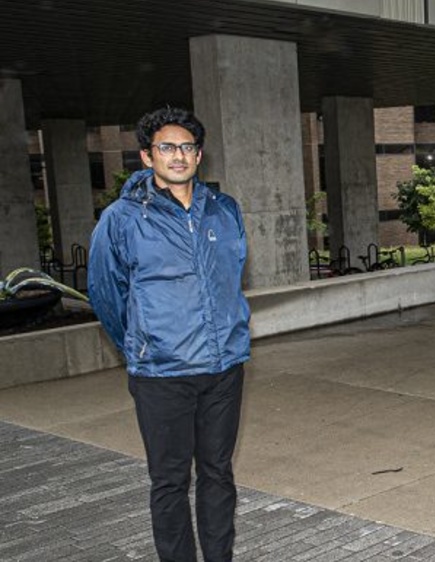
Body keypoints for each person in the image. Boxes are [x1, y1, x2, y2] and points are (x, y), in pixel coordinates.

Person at [88, 107, 251, 561]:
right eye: (166, 147)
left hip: (224, 368)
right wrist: (140, 346)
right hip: (161, 374)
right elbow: (105, 292)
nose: (178, 155)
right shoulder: (121, 219)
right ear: (146, 156)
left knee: (218, 474)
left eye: (187, 147)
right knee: (170, 480)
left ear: (199, 155)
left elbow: (231, 277)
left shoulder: (224, 209)